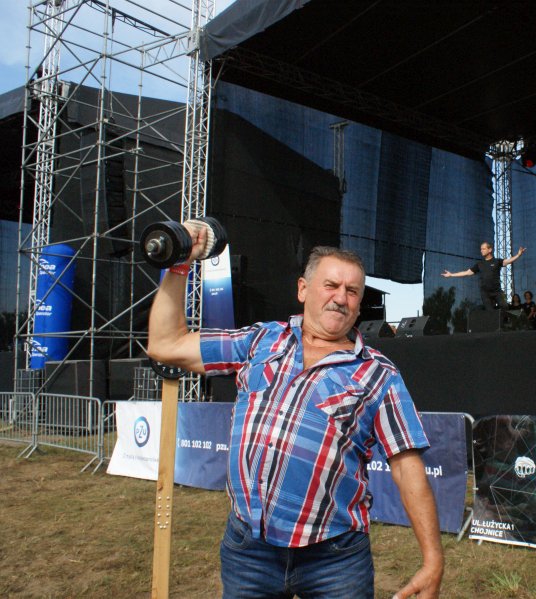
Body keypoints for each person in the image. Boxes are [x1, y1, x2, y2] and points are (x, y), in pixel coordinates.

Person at [148, 232, 443, 599]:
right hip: (248, 550)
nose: (341, 298)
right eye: (331, 285)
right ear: (303, 289)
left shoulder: (378, 374)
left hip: (334, 559)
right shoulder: (261, 341)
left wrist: (433, 560)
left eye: (352, 291)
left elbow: (406, 466)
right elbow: (166, 344)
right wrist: (179, 262)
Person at [442, 242, 525, 309]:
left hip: (497, 291)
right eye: (481, 249)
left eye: (483, 249)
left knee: (504, 306)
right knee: (490, 312)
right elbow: (466, 272)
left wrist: (518, 255)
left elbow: (509, 261)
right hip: (485, 293)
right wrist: (451, 274)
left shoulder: (497, 261)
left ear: (490, 250)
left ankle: (504, 323)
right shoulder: (480, 264)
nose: (481, 251)